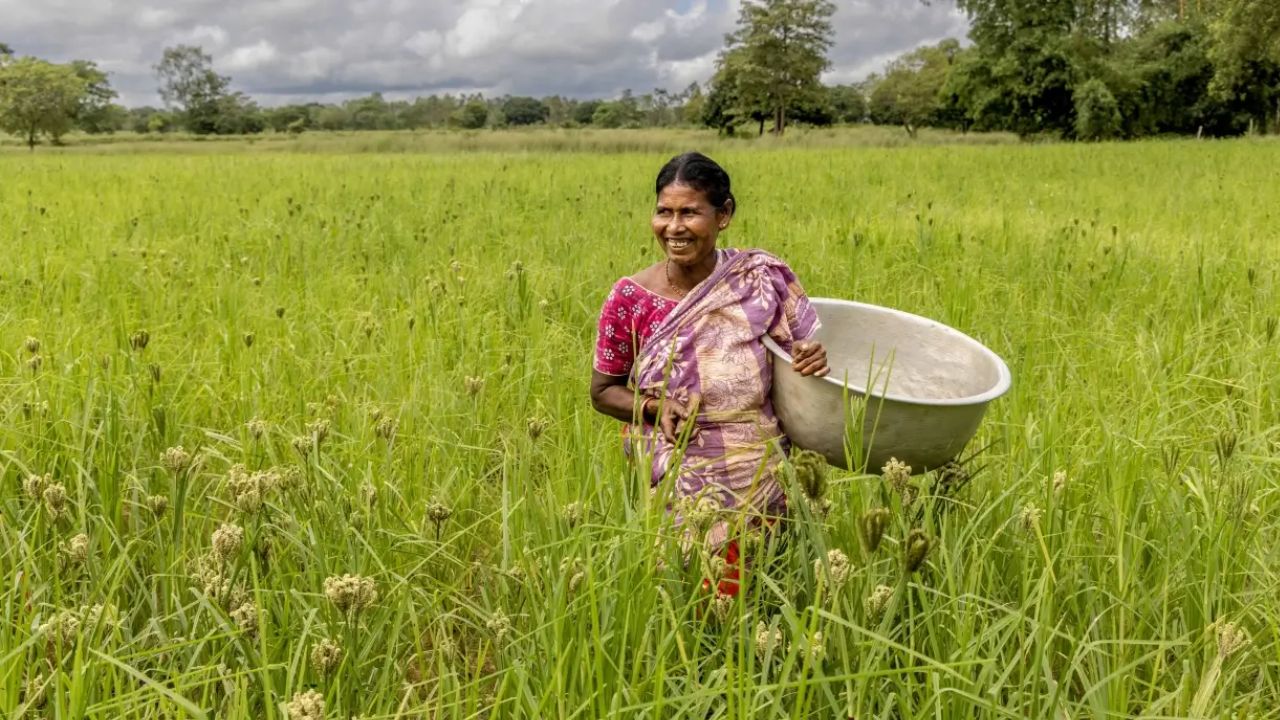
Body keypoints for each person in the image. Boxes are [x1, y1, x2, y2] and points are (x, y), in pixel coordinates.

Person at [589, 151, 829, 597]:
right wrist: (653, 406)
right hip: (679, 468)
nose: (674, 227)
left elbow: (801, 351)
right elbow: (603, 391)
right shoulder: (630, 299)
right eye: (664, 212)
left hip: (761, 467)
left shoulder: (759, 279)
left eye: (689, 213)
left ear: (724, 215)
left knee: (767, 588)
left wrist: (811, 356)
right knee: (690, 594)